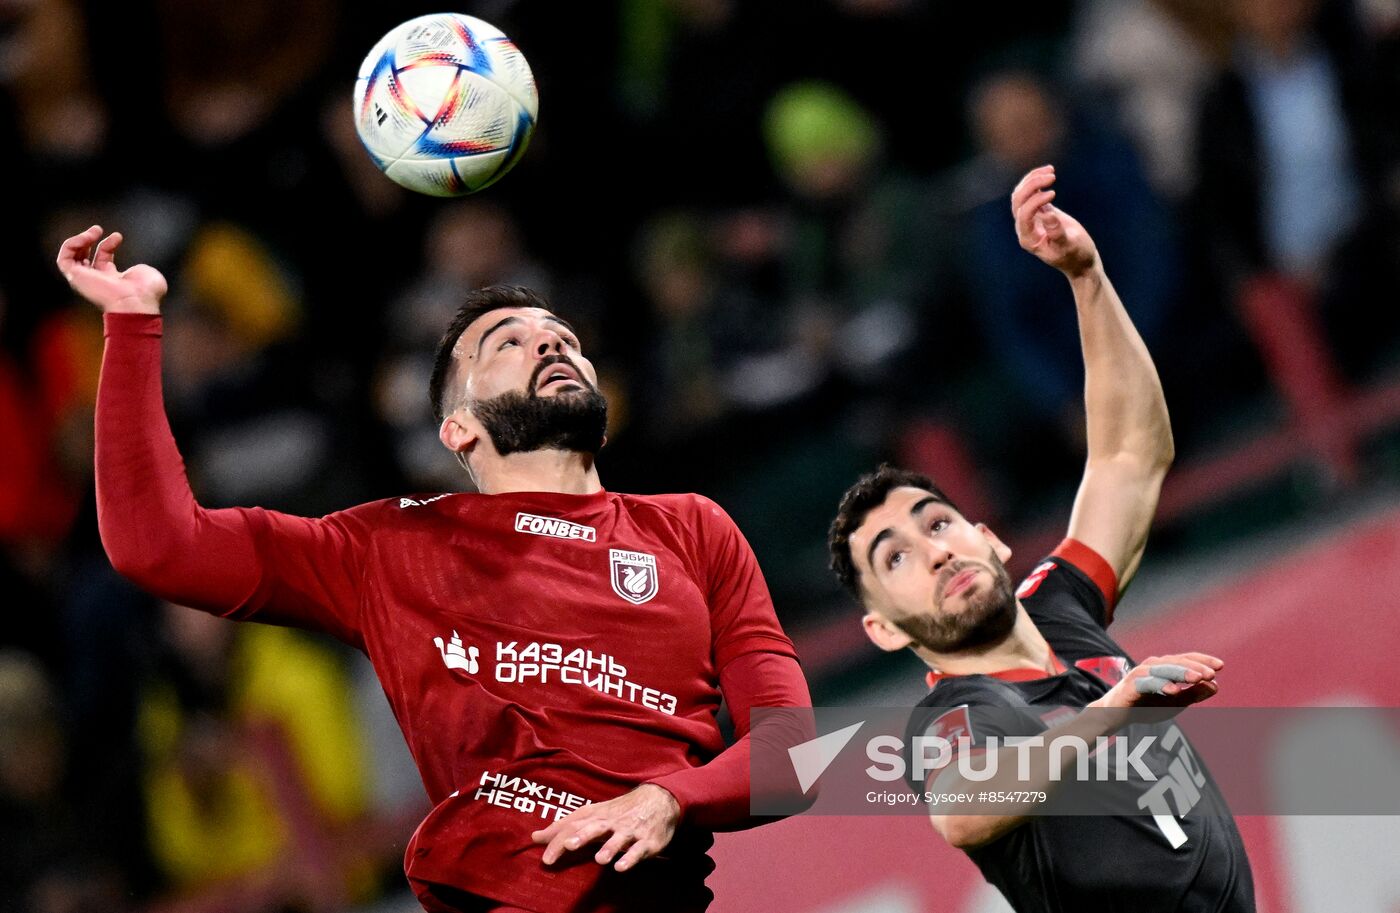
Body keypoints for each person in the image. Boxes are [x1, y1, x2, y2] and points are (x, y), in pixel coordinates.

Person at [56, 226, 812, 913]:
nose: (551, 346)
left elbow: (791, 755)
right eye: (506, 343)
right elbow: (155, 544)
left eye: (563, 338)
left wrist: (667, 799)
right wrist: (131, 323)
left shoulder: (692, 529)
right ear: (459, 429)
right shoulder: (387, 546)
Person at [826, 165, 1254, 911]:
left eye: (937, 522)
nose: (933, 549)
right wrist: (1111, 710)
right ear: (884, 629)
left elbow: (1129, 454)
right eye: (894, 557)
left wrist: (1086, 278)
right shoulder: (955, 714)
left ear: (989, 537)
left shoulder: (1059, 607)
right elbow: (964, 807)